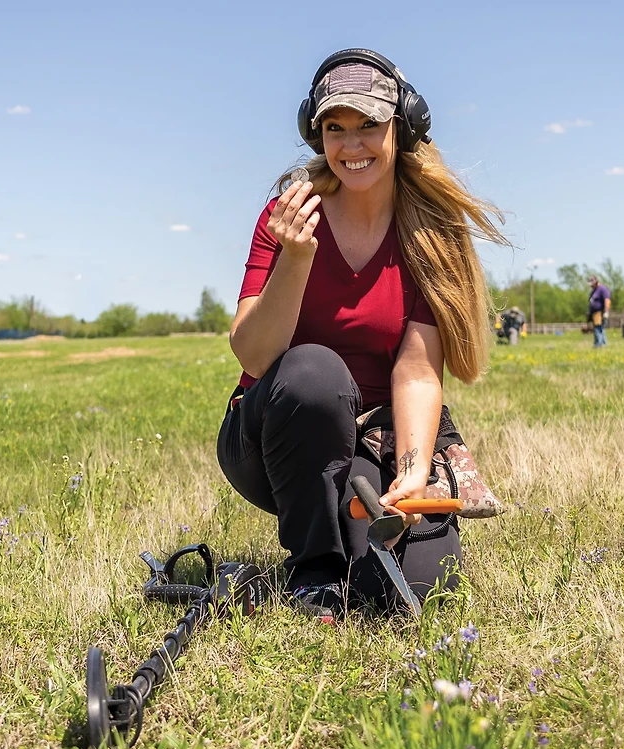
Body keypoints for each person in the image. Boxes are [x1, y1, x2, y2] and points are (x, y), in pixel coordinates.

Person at [216, 49, 506, 621]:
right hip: (276, 431)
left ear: (402, 125)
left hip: (377, 435)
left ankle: (349, 545)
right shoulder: (287, 215)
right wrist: (296, 258)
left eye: (368, 125)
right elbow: (252, 352)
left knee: (407, 589)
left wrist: (415, 471)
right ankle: (314, 570)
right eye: (335, 128)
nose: (352, 145)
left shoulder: (429, 229)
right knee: (316, 373)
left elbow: (419, 370)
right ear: (315, 132)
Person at [587, 275, 611, 347]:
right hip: (594, 313)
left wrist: (606, 311)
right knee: (598, 328)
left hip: (599, 312)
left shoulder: (602, 289)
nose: (591, 286)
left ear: (596, 282)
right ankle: (603, 344)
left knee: (598, 328)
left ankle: (599, 344)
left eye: (592, 284)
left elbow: (607, 300)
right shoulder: (593, 291)